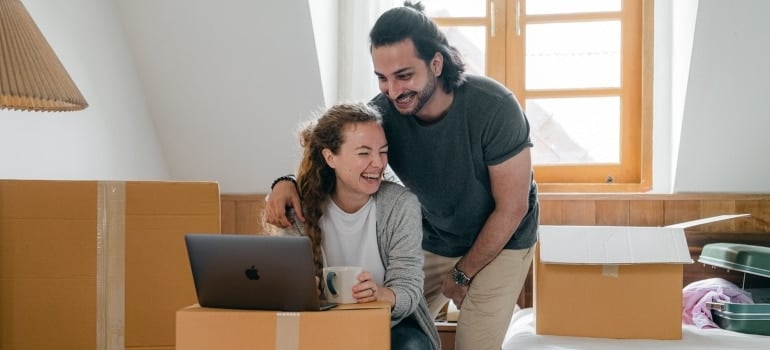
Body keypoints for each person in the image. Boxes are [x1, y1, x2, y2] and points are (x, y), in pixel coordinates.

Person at [266, 2, 539, 349]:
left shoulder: (495, 108)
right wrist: (284, 183)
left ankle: (487, 304)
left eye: (404, 76)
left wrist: (463, 274)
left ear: (436, 64)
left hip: (504, 240)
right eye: (382, 78)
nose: (393, 90)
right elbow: (327, 147)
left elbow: (512, 208)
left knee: (473, 344)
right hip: (437, 237)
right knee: (392, 319)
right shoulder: (386, 112)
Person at [266, 102, 440, 350]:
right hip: (322, 325)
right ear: (330, 157)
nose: (378, 163)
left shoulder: (401, 205)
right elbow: (283, 285)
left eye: (383, 151)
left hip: (390, 325)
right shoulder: (298, 206)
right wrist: (300, 291)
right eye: (364, 153)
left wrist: (380, 294)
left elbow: (409, 289)